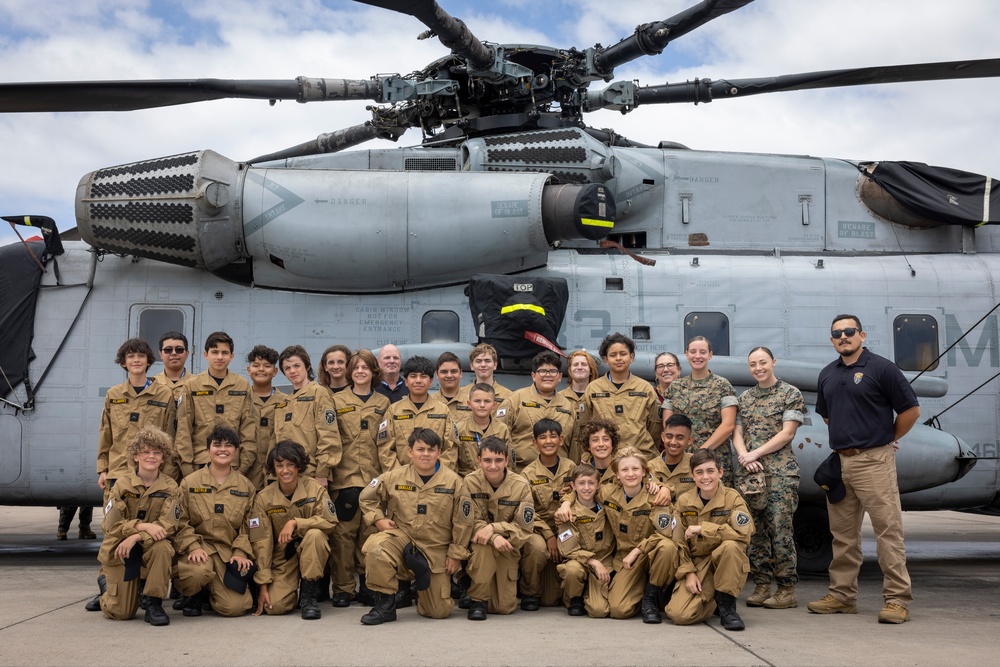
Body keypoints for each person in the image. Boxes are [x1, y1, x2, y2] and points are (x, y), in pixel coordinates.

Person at [809, 314, 920, 625]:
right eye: (837, 333)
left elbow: (911, 410)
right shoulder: (827, 374)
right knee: (843, 536)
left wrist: (886, 438)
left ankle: (897, 599)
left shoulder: (882, 368)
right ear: (831, 340)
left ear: (862, 335)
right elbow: (828, 416)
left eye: (849, 331)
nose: (843, 337)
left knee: (888, 532)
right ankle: (842, 596)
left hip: (874, 462)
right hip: (840, 462)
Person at [358, 428, 471, 625]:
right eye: (420, 449)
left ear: (439, 452)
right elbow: (366, 497)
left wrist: (456, 554)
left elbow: (463, 521)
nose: (425, 454)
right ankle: (385, 606)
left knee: (438, 611)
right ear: (410, 452)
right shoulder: (393, 477)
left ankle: (423, 592)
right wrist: (378, 520)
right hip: (403, 541)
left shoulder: (454, 482)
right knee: (376, 548)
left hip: (435, 549)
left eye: (431, 449)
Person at [733, 346, 806, 610]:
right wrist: (744, 456)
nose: (758, 368)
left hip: (780, 474)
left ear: (774, 362)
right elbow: (737, 432)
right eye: (753, 364)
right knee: (755, 533)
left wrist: (755, 454)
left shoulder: (790, 394)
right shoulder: (746, 398)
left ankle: (786, 589)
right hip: (751, 476)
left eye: (763, 362)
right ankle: (762, 585)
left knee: (780, 531)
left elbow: (787, 434)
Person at [93, 426, 180, 626]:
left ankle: (153, 603)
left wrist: (136, 535)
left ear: (164, 458)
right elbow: (112, 525)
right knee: (121, 613)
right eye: (146, 452)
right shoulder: (121, 485)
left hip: (149, 546)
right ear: (135, 457)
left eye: (157, 452)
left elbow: (168, 525)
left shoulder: (170, 487)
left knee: (163, 547)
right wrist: (143, 527)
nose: (151, 456)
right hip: (121, 550)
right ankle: (106, 587)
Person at [173, 425, 257, 618]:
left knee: (236, 608)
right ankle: (192, 594)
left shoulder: (246, 487)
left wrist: (240, 551)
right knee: (197, 574)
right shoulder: (189, 483)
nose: (222, 449)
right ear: (207, 450)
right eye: (217, 445)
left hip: (226, 552)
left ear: (236, 451)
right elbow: (179, 521)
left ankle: (211, 592)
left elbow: (250, 525)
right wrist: (193, 546)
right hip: (197, 549)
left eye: (229, 445)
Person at [328, 348, 390, 607]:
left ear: (373, 372)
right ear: (350, 373)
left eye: (365, 368)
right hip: (345, 477)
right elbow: (330, 438)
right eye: (356, 368)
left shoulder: (383, 403)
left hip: (373, 479)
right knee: (343, 536)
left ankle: (367, 585)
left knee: (369, 534)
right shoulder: (335, 401)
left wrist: (387, 475)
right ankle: (343, 588)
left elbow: (386, 442)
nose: (361, 372)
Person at [666, 449, 753, 631]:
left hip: (723, 562)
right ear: (692, 475)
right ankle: (712, 597)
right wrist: (689, 573)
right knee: (679, 615)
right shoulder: (684, 501)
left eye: (710, 471)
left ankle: (727, 608)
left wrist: (703, 528)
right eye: (699, 472)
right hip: (698, 565)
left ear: (720, 472)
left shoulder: (732, 498)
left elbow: (743, 534)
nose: (705, 477)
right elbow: (679, 542)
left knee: (731, 546)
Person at [250, 440, 338, 620]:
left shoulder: (315, 488)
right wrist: (263, 585)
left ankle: (308, 597)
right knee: (275, 607)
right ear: (273, 469)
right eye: (279, 465)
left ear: (299, 466)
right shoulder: (263, 498)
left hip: (311, 550)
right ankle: (288, 591)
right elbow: (261, 542)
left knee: (315, 535)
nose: (285, 470)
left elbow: (330, 521)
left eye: (290, 464)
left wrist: (295, 523)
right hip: (283, 556)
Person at [462, 437, 545, 619]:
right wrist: (492, 537)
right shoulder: (469, 482)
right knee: (482, 545)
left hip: (510, 542)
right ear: (479, 461)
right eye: (487, 460)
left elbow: (524, 527)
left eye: (499, 460)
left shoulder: (520, 485)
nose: (493, 466)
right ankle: (477, 600)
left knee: (503, 607)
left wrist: (494, 528)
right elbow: (468, 521)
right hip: (480, 540)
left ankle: (527, 592)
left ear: (507, 460)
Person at [98, 338, 177, 497]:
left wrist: (167, 473)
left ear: (148, 361)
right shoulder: (114, 394)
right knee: (116, 521)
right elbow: (106, 434)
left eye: (141, 356)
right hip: (119, 473)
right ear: (123, 363)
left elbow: (171, 437)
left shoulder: (164, 394)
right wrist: (103, 469)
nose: (136, 360)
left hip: (152, 473)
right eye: (130, 356)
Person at [174, 332, 258, 478]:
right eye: (215, 352)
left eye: (225, 352)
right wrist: (188, 471)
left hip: (233, 465)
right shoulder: (192, 386)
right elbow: (183, 430)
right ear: (206, 355)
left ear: (231, 356)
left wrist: (242, 469)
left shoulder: (241, 385)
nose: (220, 357)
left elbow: (248, 429)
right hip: (200, 464)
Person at [662, 336, 738, 487]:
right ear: (687, 354)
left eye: (702, 352)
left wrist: (701, 453)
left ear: (710, 355)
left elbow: (728, 425)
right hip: (681, 461)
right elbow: (667, 425)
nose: (698, 356)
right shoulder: (675, 388)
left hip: (714, 460)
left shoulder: (722, 386)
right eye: (693, 352)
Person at [519, 418, 576, 607]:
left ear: (561, 439)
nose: (548, 441)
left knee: (553, 598)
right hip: (539, 531)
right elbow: (527, 511)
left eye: (553, 436)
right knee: (537, 549)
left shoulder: (571, 468)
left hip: (567, 527)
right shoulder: (527, 474)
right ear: (534, 443)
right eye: (542, 437)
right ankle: (529, 592)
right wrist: (549, 535)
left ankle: (576, 594)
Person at [273, 345, 343, 489]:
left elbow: (329, 436)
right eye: (287, 368)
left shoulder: (319, 394)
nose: (292, 371)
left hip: (311, 475)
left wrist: (322, 473)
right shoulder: (284, 403)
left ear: (308, 366)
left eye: (297, 366)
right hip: (286, 476)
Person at [583, 333, 660, 460]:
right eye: (613, 355)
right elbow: (585, 425)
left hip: (641, 457)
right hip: (607, 459)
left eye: (623, 354)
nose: (618, 358)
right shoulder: (593, 389)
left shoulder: (645, 388)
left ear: (632, 357)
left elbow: (655, 427)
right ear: (606, 359)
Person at [496, 351, 575, 471]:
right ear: (533, 376)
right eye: (542, 371)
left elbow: (574, 444)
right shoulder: (515, 400)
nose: (548, 375)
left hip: (560, 477)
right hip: (521, 473)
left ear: (559, 377)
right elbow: (499, 435)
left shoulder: (568, 406)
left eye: (553, 371)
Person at [376, 356, 457, 472]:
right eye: (413, 376)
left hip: (436, 480)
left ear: (430, 381)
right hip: (401, 483)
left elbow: (451, 448)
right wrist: (399, 476)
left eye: (423, 376)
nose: (418, 380)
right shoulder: (393, 411)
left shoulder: (443, 411)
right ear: (406, 382)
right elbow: (385, 448)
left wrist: (436, 474)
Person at [555, 465, 615, 617]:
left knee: (599, 611)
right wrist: (593, 562)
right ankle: (574, 598)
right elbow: (568, 549)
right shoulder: (567, 513)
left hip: (605, 560)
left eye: (591, 483)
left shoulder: (608, 507)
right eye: (581, 483)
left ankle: (591, 592)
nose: (586, 488)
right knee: (572, 570)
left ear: (599, 485)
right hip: (579, 561)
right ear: (573, 486)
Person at [244, 345, 287, 490]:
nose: (261, 369)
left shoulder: (287, 402)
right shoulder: (241, 400)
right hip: (246, 473)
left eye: (267, 366)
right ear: (248, 370)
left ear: (275, 371)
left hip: (277, 473)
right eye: (256, 365)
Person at [451, 383, 511, 477]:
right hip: (467, 482)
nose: (482, 405)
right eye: (477, 401)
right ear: (469, 404)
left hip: (496, 480)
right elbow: (452, 463)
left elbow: (509, 463)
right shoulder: (459, 429)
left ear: (494, 405)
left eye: (487, 401)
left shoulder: (502, 429)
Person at [558, 350, 598, 463]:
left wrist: (587, 456)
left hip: (591, 459)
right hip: (564, 458)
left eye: (584, 364)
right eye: (575, 364)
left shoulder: (596, 398)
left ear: (591, 370)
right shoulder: (559, 398)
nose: (579, 367)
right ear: (570, 371)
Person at [647, 414, 697, 503]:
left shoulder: (696, 465)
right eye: (669, 436)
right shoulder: (649, 468)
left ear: (689, 440)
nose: (673, 442)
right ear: (663, 436)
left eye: (680, 438)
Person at [434, 351, 469, 420]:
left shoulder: (472, 402)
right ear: (437, 375)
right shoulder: (428, 403)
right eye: (444, 372)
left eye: (454, 371)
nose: (449, 375)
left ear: (461, 373)